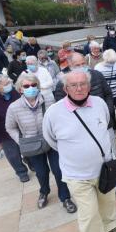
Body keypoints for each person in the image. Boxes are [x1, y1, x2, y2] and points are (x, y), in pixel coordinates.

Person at [42, 70, 116, 232]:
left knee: (107, 202)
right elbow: (51, 140)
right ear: (65, 89)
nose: (79, 88)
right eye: (73, 85)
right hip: (77, 175)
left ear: (88, 86)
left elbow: (105, 125)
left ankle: (110, 226)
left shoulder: (99, 103)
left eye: (82, 84)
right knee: (88, 216)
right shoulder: (53, 113)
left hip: (104, 169)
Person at [53, 53, 116, 199]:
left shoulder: (97, 75)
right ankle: (93, 184)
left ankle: (115, 183)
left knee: (112, 155)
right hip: (82, 131)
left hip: (105, 125)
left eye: (83, 63)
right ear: (70, 66)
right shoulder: (63, 83)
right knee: (90, 157)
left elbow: (108, 95)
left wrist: (106, 113)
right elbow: (62, 110)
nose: (82, 67)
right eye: (77, 65)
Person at [6, 73, 77, 213]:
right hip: (32, 145)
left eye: (33, 85)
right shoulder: (14, 107)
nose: (30, 88)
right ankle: (44, 191)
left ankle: (65, 198)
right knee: (41, 172)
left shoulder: (49, 100)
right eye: (26, 86)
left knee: (59, 170)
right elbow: (10, 127)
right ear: (20, 89)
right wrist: (20, 141)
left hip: (52, 141)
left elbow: (60, 118)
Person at [0, 74, 30, 180]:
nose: (10, 85)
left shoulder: (15, 92)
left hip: (22, 128)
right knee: (13, 155)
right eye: (6, 83)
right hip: (5, 133)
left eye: (9, 82)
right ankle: (21, 172)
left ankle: (31, 162)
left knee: (29, 148)